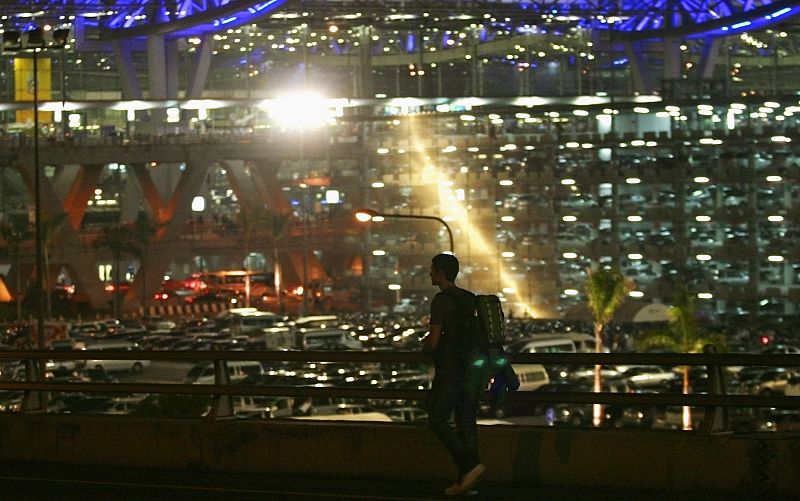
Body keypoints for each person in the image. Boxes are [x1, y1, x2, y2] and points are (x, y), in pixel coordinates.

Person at [423, 253, 485, 496]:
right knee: (466, 423)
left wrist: (426, 345)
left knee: (437, 419)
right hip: (471, 371)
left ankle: (470, 466)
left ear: (441, 273)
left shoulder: (440, 301)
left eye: (432, 269)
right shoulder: (469, 299)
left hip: (450, 371)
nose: (430, 274)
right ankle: (468, 483)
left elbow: (435, 340)